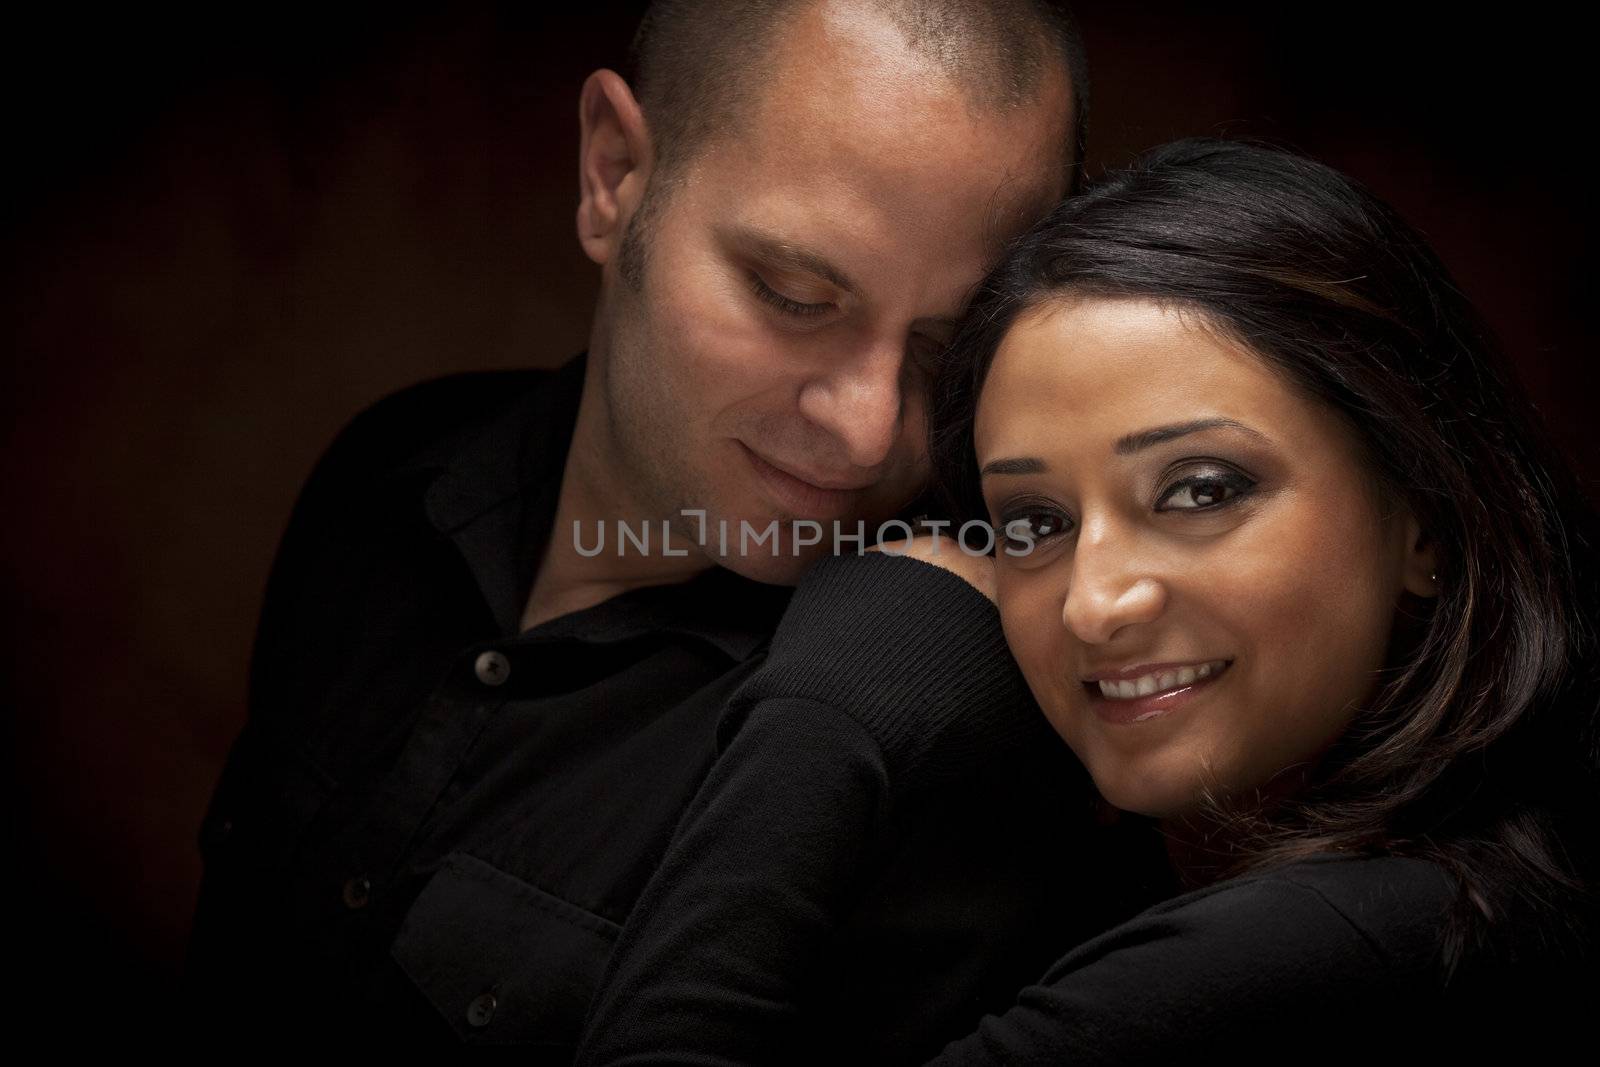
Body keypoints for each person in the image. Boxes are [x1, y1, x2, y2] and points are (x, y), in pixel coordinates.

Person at [185, 1, 1138, 1056]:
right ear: (612, 175)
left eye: (944, 348)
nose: (869, 433)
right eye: (793, 296)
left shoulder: (939, 725)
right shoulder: (387, 472)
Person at [573, 139, 1599, 1062]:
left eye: (1201, 489)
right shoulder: (1481, 881)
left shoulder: (1330, 946)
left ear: (1422, 514)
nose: (1093, 605)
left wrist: (836, 691)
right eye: (1031, 522)